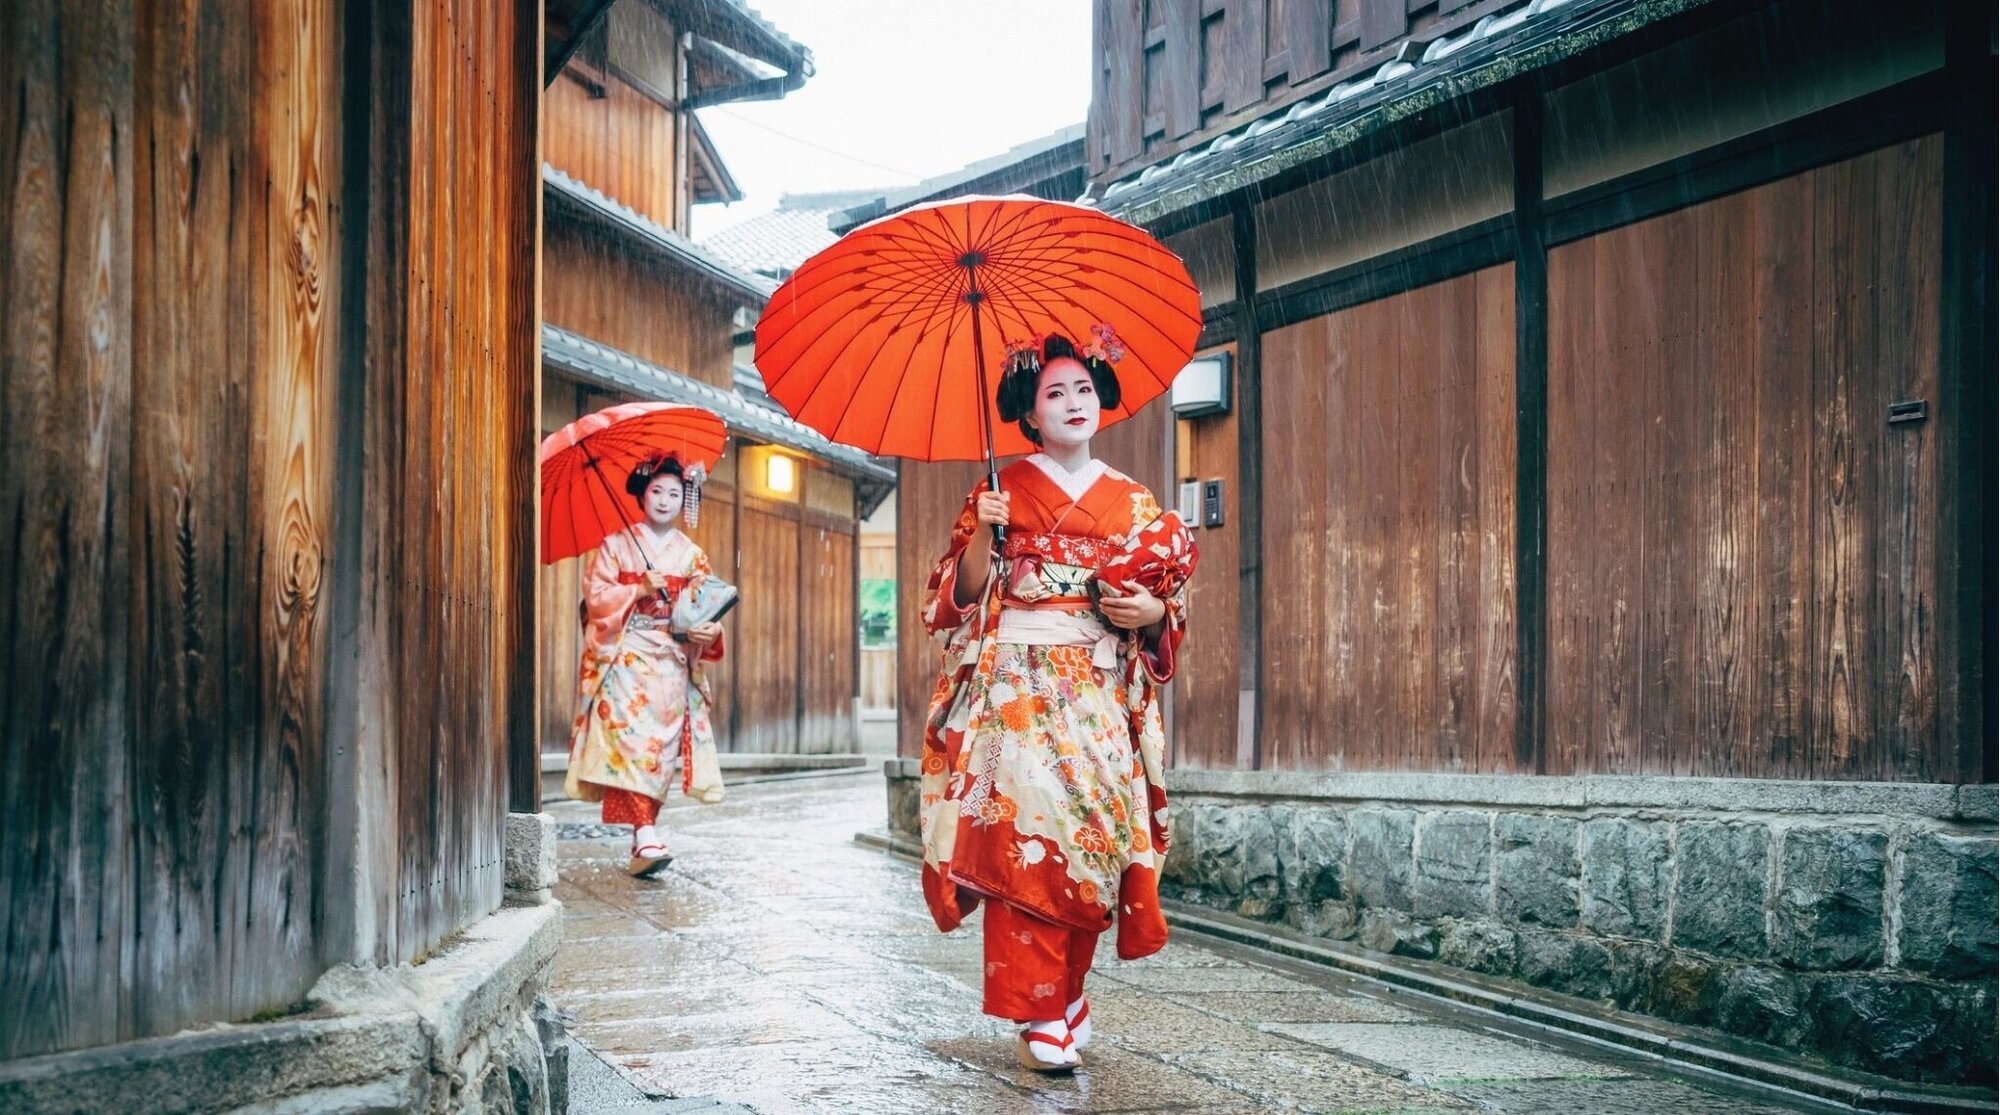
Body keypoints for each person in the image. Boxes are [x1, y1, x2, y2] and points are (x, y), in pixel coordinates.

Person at [918, 330, 1196, 1072]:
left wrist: (1151, 615)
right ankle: (1038, 1006)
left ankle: (1069, 988)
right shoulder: (998, 490)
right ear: (1029, 413)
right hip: (1018, 689)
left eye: (1082, 389)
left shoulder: (1133, 501)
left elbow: (1165, 607)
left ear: (1099, 398)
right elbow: (953, 600)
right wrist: (984, 533)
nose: (1073, 403)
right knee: (1023, 834)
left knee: (1092, 838)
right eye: (1054, 393)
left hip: (1099, 689)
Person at [565, 455, 727, 877]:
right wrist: (637, 588)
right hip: (627, 653)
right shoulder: (616, 545)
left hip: (672, 659)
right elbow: (595, 598)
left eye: (674, 493)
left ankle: (645, 834)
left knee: (661, 749)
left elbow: (704, 608)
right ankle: (644, 831)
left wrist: (708, 632)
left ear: (684, 500)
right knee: (629, 743)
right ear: (642, 493)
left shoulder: (692, 556)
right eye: (657, 490)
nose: (664, 500)